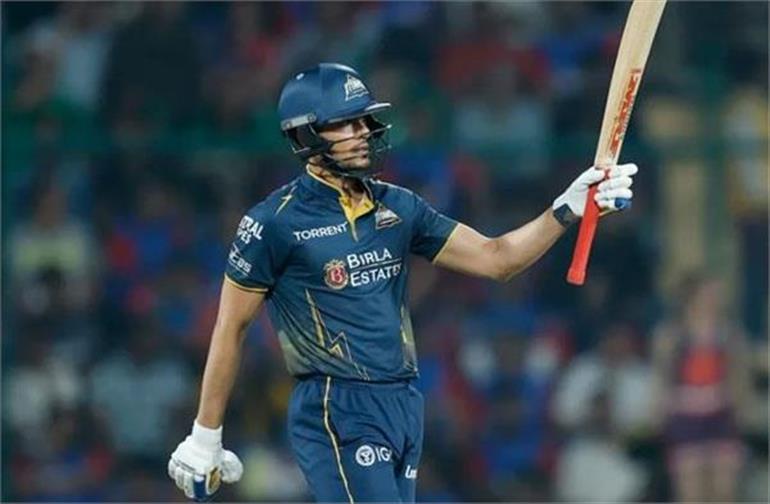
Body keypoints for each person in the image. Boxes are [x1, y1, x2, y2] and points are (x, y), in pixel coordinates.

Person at [167, 62, 637, 502]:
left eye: (364, 120)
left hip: (403, 403)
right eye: (346, 124)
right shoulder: (273, 223)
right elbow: (230, 326)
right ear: (306, 134)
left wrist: (567, 208)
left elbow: (498, 260)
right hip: (335, 404)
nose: (363, 133)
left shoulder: (399, 207)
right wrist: (206, 435)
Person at [651, 273, 752, 502]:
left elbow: (738, 374)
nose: (713, 299)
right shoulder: (671, 335)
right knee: (691, 493)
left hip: (720, 414)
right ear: (692, 298)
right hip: (686, 417)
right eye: (708, 294)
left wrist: (742, 407)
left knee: (724, 492)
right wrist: (659, 412)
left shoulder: (728, 334)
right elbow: (662, 376)